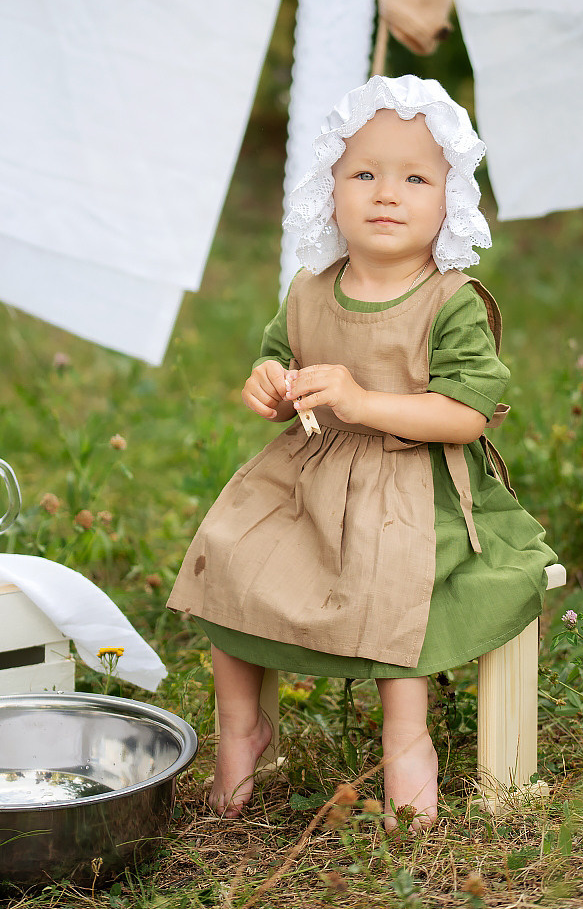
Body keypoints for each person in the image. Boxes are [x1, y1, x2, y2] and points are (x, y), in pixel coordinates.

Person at [168, 74, 557, 827]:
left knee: (387, 583)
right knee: (230, 553)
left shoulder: (450, 300)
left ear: (451, 200)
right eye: (364, 174)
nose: (387, 193)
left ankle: (406, 741)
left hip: (416, 486)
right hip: (312, 474)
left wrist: (361, 401)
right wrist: (271, 384)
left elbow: (465, 416)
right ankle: (242, 726)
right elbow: (279, 360)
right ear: (330, 192)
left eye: (415, 177)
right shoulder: (310, 289)